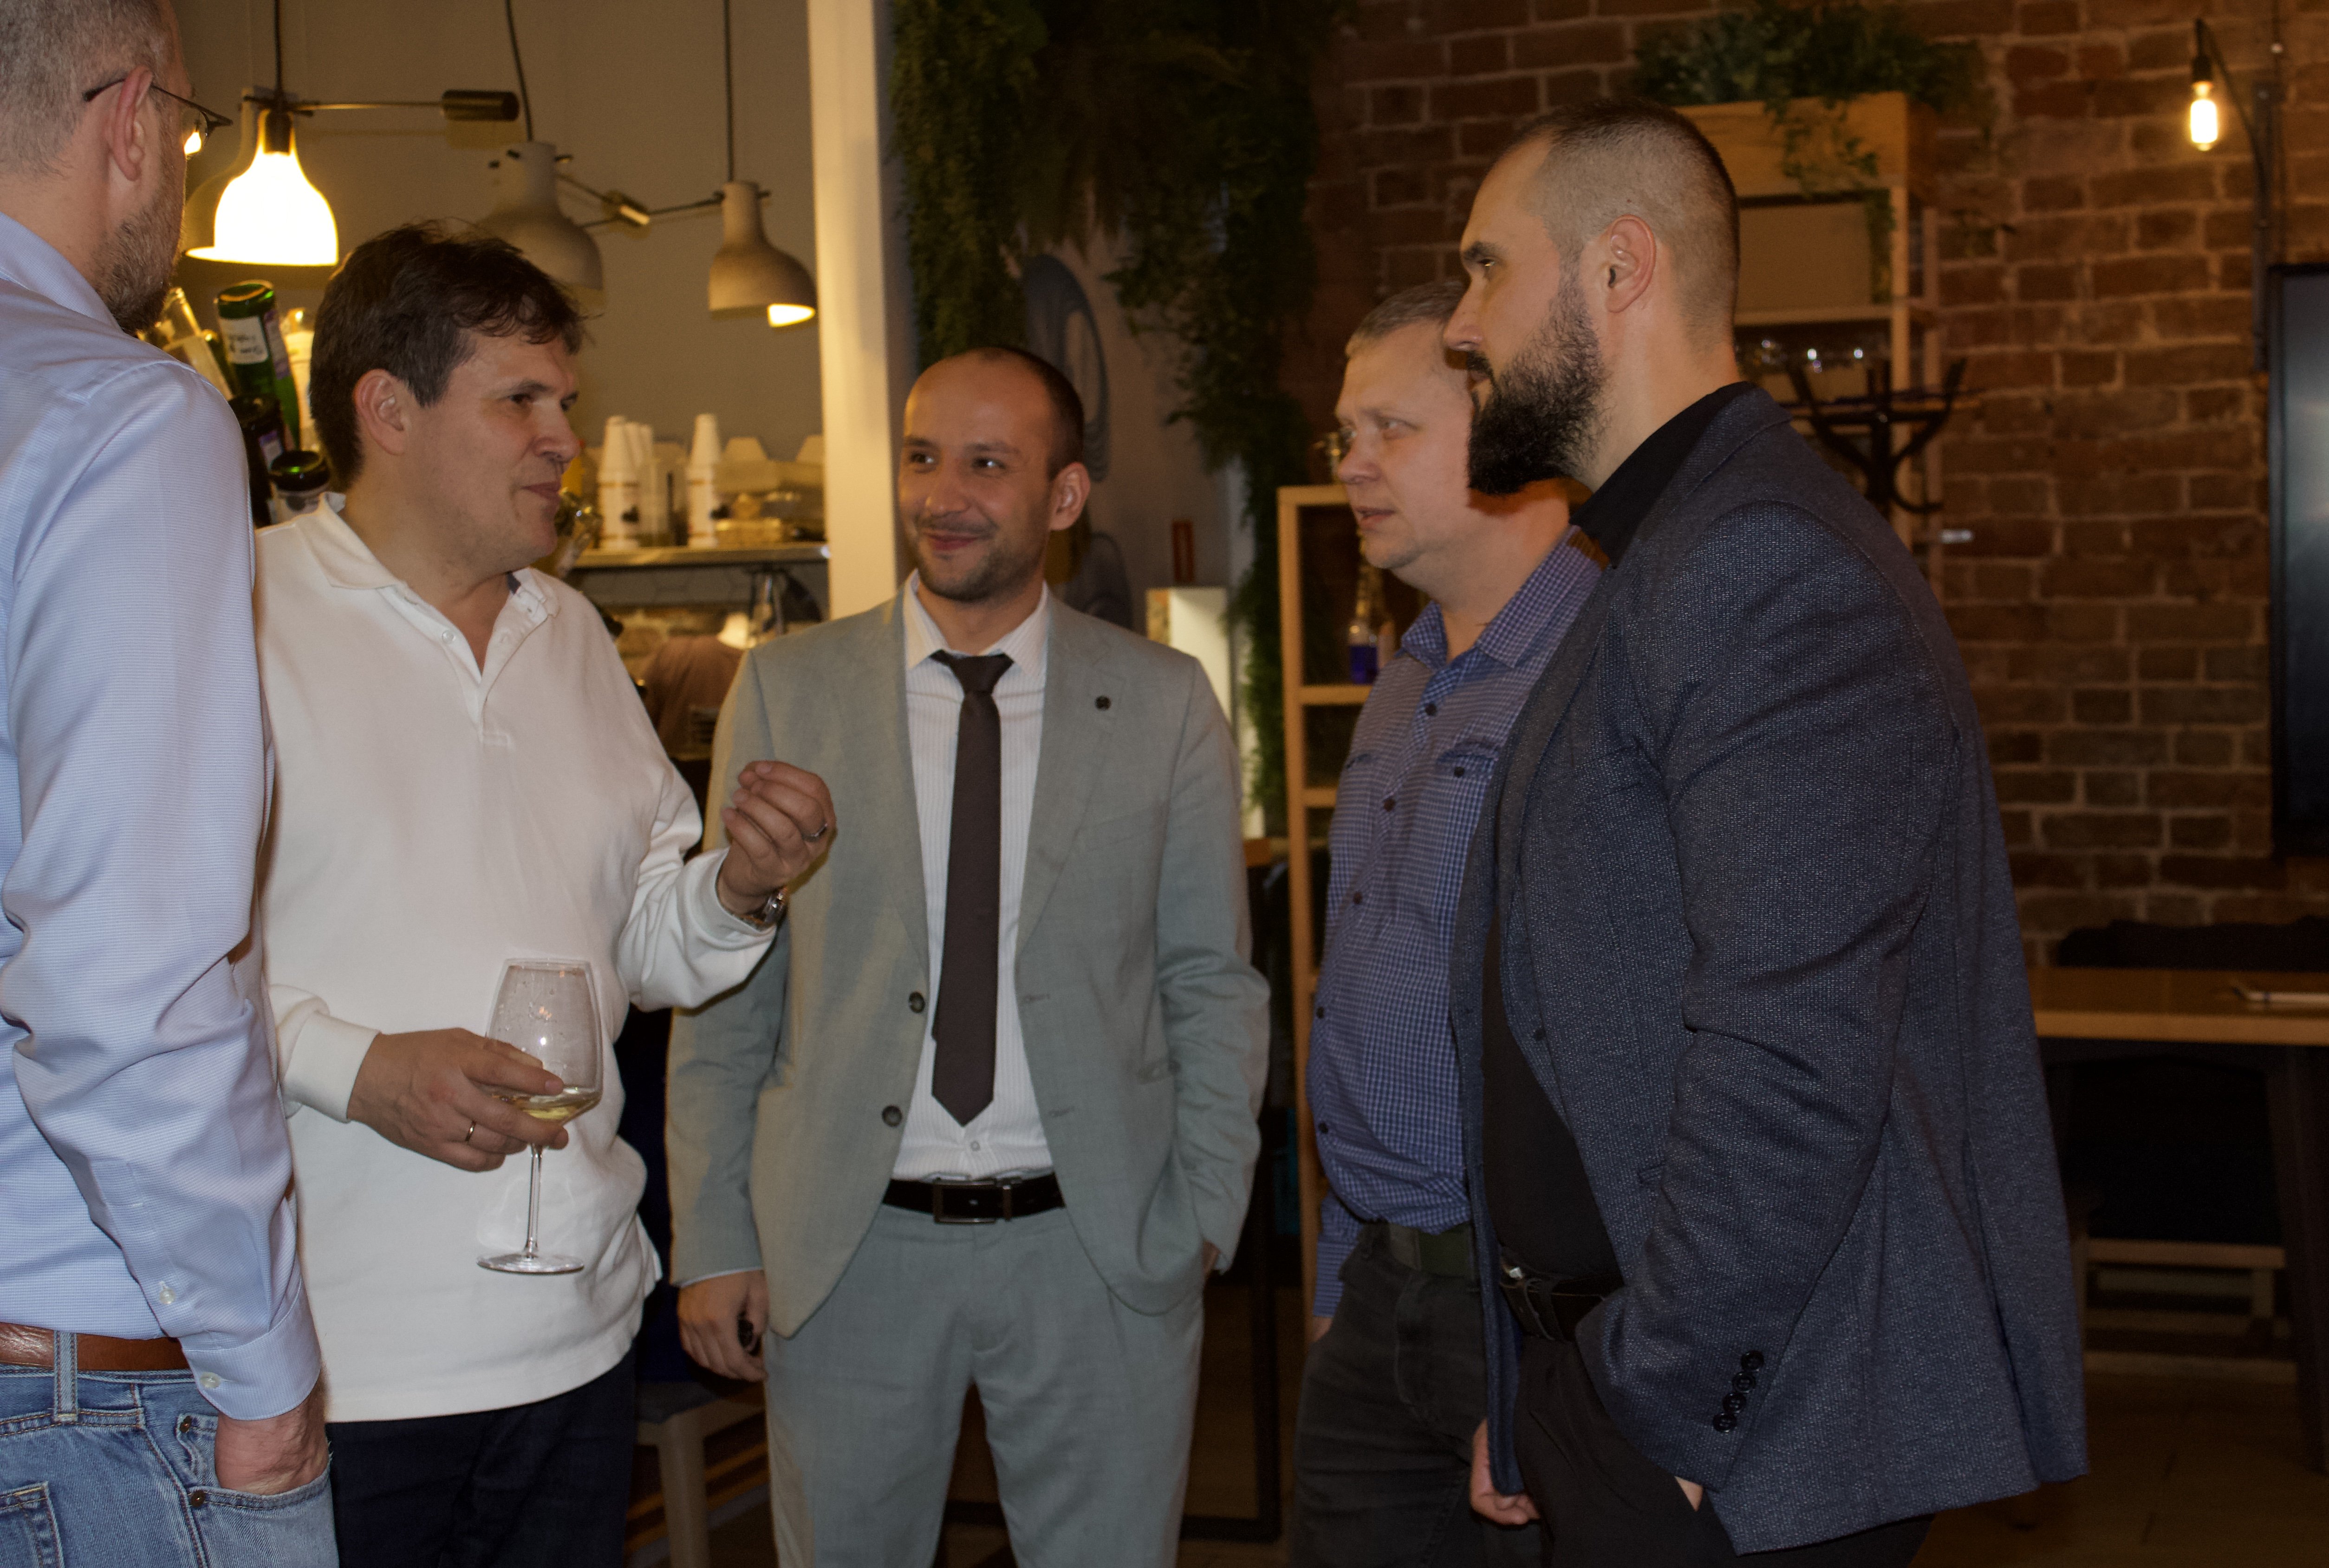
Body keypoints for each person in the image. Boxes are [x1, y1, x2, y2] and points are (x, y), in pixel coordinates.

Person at [1443, 98, 2088, 1565]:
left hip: (1749, 1436)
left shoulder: (1755, 558)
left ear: (1620, 267)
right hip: (1643, 1385)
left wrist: (1657, 1412)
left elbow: (1793, 1056)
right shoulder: (1671, 549)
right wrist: (1543, 1380)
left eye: (1486, 268)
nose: (1464, 326)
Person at [255, 223, 824, 1568]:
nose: (565, 438)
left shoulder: (568, 632)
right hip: (337, 1367)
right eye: (521, 400)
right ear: (387, 408)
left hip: (577, 1341)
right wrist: (358, 1068)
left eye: (564, 401)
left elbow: (646, 940)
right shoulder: (235, 614)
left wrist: (740, 886)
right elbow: (129, 962)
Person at [667, 345, 1269, 1568]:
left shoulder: (1165, 704)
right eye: (922, 456)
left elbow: (1211, 980)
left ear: (1064, 494)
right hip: (848, 1250)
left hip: (1097, 1247)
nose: (943, 494)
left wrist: (1207, 1210)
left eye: (988, 463)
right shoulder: (787, 691)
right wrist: (716, 1234)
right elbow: (731, 987)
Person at [0, 0, 336, 1560]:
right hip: (77, 1379)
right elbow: (128, 975)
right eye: (192, 131)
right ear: (130, 121)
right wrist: (263, 1362)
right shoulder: (117, 415)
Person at [1291, 278, 1595, 1568]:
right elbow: (1367, 997)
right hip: (1383, 1288)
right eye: (1344, 435)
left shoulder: (1603, 662)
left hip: (1535, 1305)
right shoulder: (1406, 672)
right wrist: (1339, 1284)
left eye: (1392, 429)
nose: (1352, 464)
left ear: (1511, 430)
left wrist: (1592, 1360)